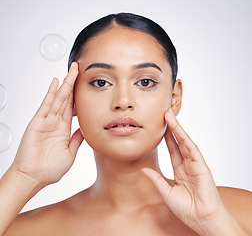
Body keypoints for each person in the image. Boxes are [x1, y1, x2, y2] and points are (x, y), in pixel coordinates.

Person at [0, 13, 251, 236]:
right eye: (100, 82)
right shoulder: (26, 229)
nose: (123, 102)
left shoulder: (240, 212)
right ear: (71, 99)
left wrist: (215, 224)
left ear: (174, 99)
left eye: (144, 82)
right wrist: (23, 176)